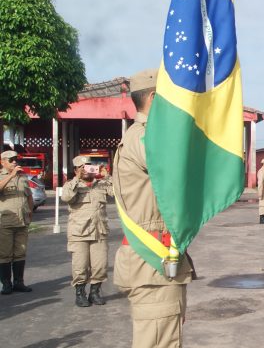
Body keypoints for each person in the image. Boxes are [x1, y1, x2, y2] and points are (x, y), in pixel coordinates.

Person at [114, 69, 195, 348]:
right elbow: (173, 169)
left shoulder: (144, 135)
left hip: (158, 260)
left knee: (166, 338)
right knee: (158, 341)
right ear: (154, 96)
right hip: (152, 258)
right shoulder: (144, 136)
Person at [60, 156, 115, 307]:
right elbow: (66, 197)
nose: (85, 170)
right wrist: (77, 180)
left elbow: (117, 193)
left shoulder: (101, 184)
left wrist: (107, 176)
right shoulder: (71, 185)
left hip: (99, 231)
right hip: (79, 233)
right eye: (81, 167)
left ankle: (95, 292)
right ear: (75, 170)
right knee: (80, 266)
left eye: (88, 166)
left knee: (100, 265)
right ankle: (80, 293)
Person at [0, 150, 34, 295]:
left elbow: (29, 196)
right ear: (3, 162)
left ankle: (19, 282)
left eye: (16, 159)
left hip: (22, 221)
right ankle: (6, 283)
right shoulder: (2, 176)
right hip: (5, 223)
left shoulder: (23, 177)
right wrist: (11, 175)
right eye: (11, 159)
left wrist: (30, 212)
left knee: (20, 253)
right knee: (5, 254)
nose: (15, 162)